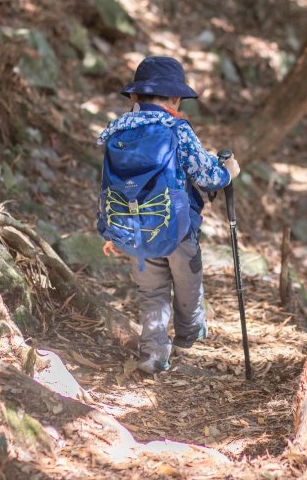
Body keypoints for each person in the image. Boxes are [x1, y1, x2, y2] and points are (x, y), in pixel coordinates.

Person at [97, 56, 240, 375]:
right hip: (177, 228)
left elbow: (109, 182)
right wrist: (228, 172)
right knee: (188, 281)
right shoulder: (177, 129)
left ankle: (153, 353)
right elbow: (206, 176)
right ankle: (190, 332)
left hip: (133, 228)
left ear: (134, 97)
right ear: (176, 99)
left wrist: (108, 229)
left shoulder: (116, 131)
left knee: (151, 291)